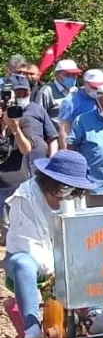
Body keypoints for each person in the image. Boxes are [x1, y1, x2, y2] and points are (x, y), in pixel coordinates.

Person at [5, 150, 103, 338]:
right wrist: (58, 269)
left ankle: (96, 316)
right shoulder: (24, 197)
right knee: (24, 264)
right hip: (26, 256)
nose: (67, 192)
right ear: (50, 181)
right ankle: (32, 328)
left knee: (92, 256)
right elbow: (27, 242)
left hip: (62, 256)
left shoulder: (74, 197)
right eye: (64, 187)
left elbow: (80, 231)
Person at [0, 76, 59, 240]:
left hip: (28, 176)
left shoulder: (30, 113)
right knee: (7, 226)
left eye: (23, 92)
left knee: (32, 222)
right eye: (16, 92)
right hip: (3, 182)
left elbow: (30, 146)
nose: (20, 96)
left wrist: (15, 127)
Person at [57, 67, 103, 147]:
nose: (97, 90)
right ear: (85, 83)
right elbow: (64, 129)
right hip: (80, 146)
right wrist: (66, 153)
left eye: (100, 87)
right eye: (94, 87)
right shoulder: (71, 101)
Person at [34, 59, 81, 123]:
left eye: (74, 74)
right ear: (57, 74)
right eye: (67, 74)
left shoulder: (77, 92)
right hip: (54, 132)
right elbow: (37, 116)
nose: (71, 77)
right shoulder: (47, 91)